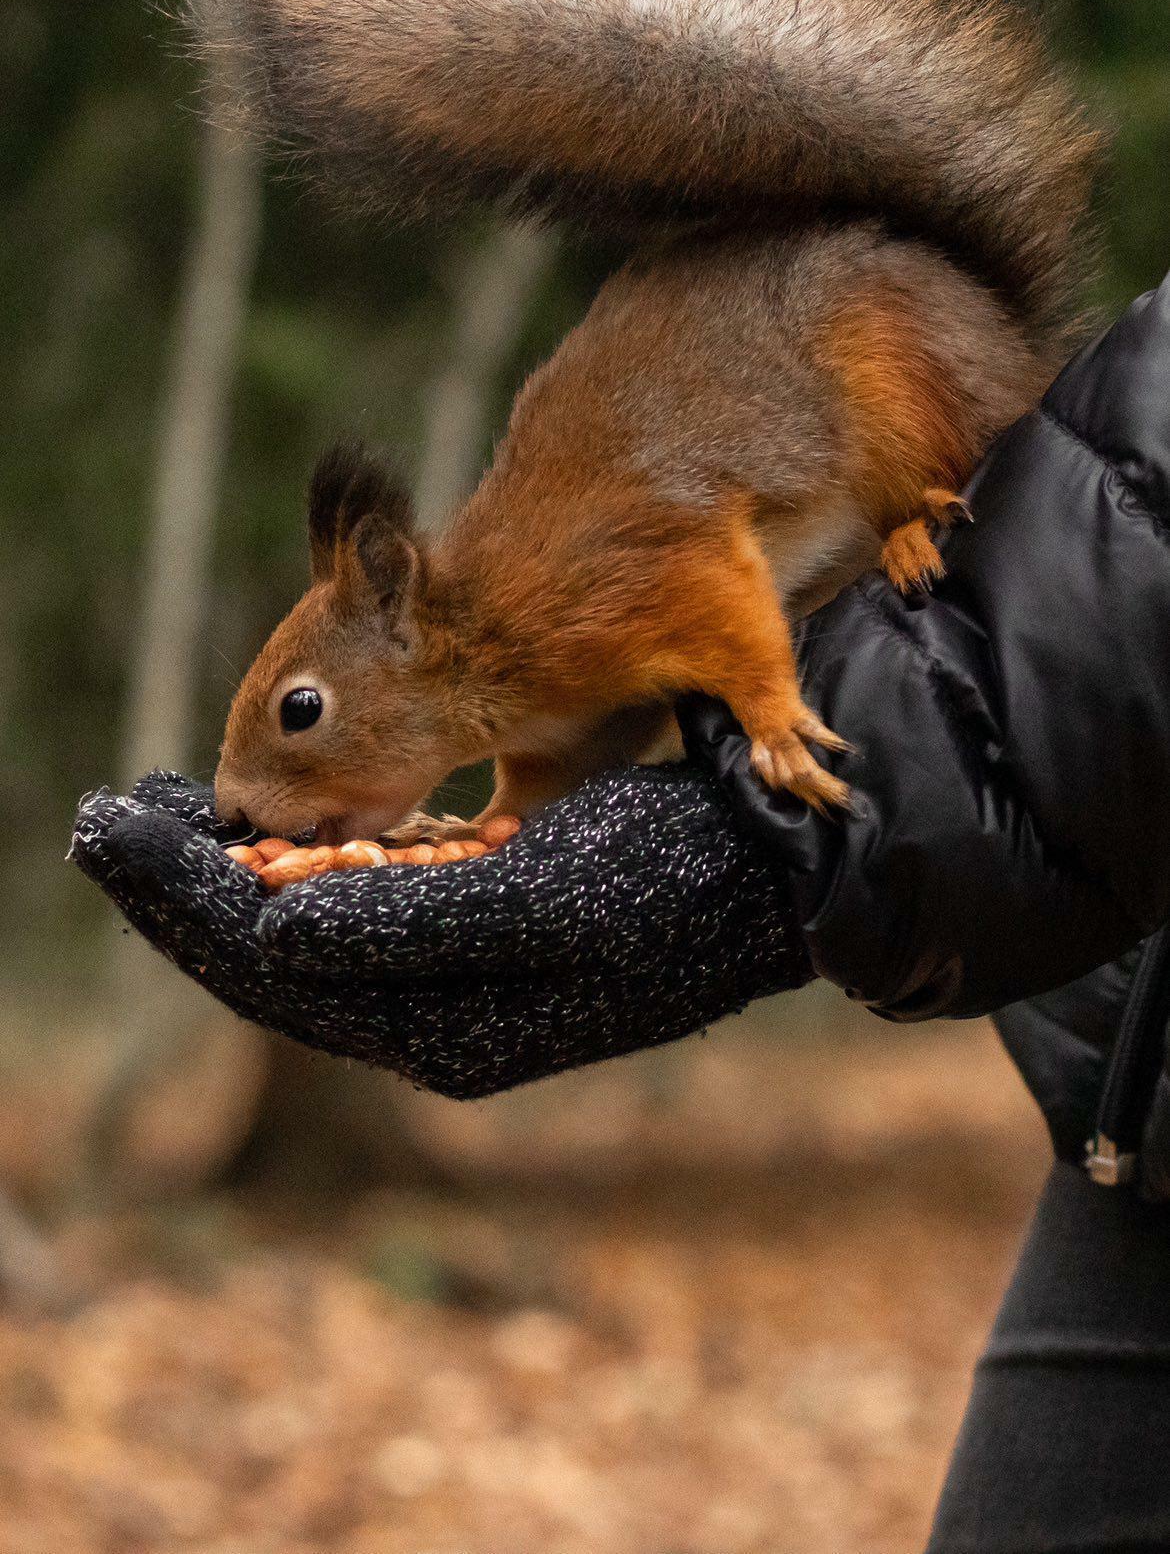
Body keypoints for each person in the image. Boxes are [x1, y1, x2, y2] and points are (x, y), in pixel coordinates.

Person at [76, 274, 1170, 1549]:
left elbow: (706, 576)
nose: (255, 804)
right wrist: (508, 841)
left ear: (399, 616)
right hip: (1134, 1101)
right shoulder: (507, 685)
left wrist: (766, 798)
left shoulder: (538, 608)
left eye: (299, 725)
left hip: (874, 407)